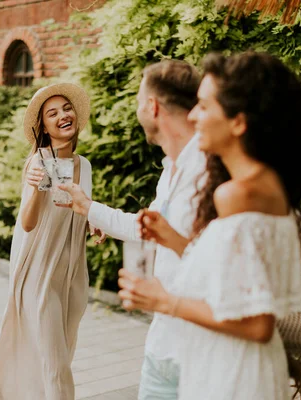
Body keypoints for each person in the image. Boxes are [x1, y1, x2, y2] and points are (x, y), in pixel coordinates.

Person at [118, 51, 301, 400]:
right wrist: (174, 241)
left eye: (204, 106)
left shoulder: (238, 194)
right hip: (236, 367)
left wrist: (165, 301)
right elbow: (235, 280)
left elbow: (258, 324)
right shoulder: (267, 184)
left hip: (234, 376)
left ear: (238, 122)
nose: (194, 116)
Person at [59, 60, 204, 399]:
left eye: (139, 102)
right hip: (162, 344)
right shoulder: (172, 170)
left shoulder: (207, 169)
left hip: (200, 348)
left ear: (152, 107)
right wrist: (87, 206)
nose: (138, 109)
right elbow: (145, 229)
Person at [0, 83, 105, 400]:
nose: (62, 115)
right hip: (39, 272)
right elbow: (28, 223)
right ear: (43, 126)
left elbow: (77, 210)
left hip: (71, 274)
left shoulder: (84, 166)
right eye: (52, 113)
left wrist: (95, 223)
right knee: (56, 367)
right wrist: (36, 184)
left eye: (66, 108)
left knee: (61, 355)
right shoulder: (38, 163)